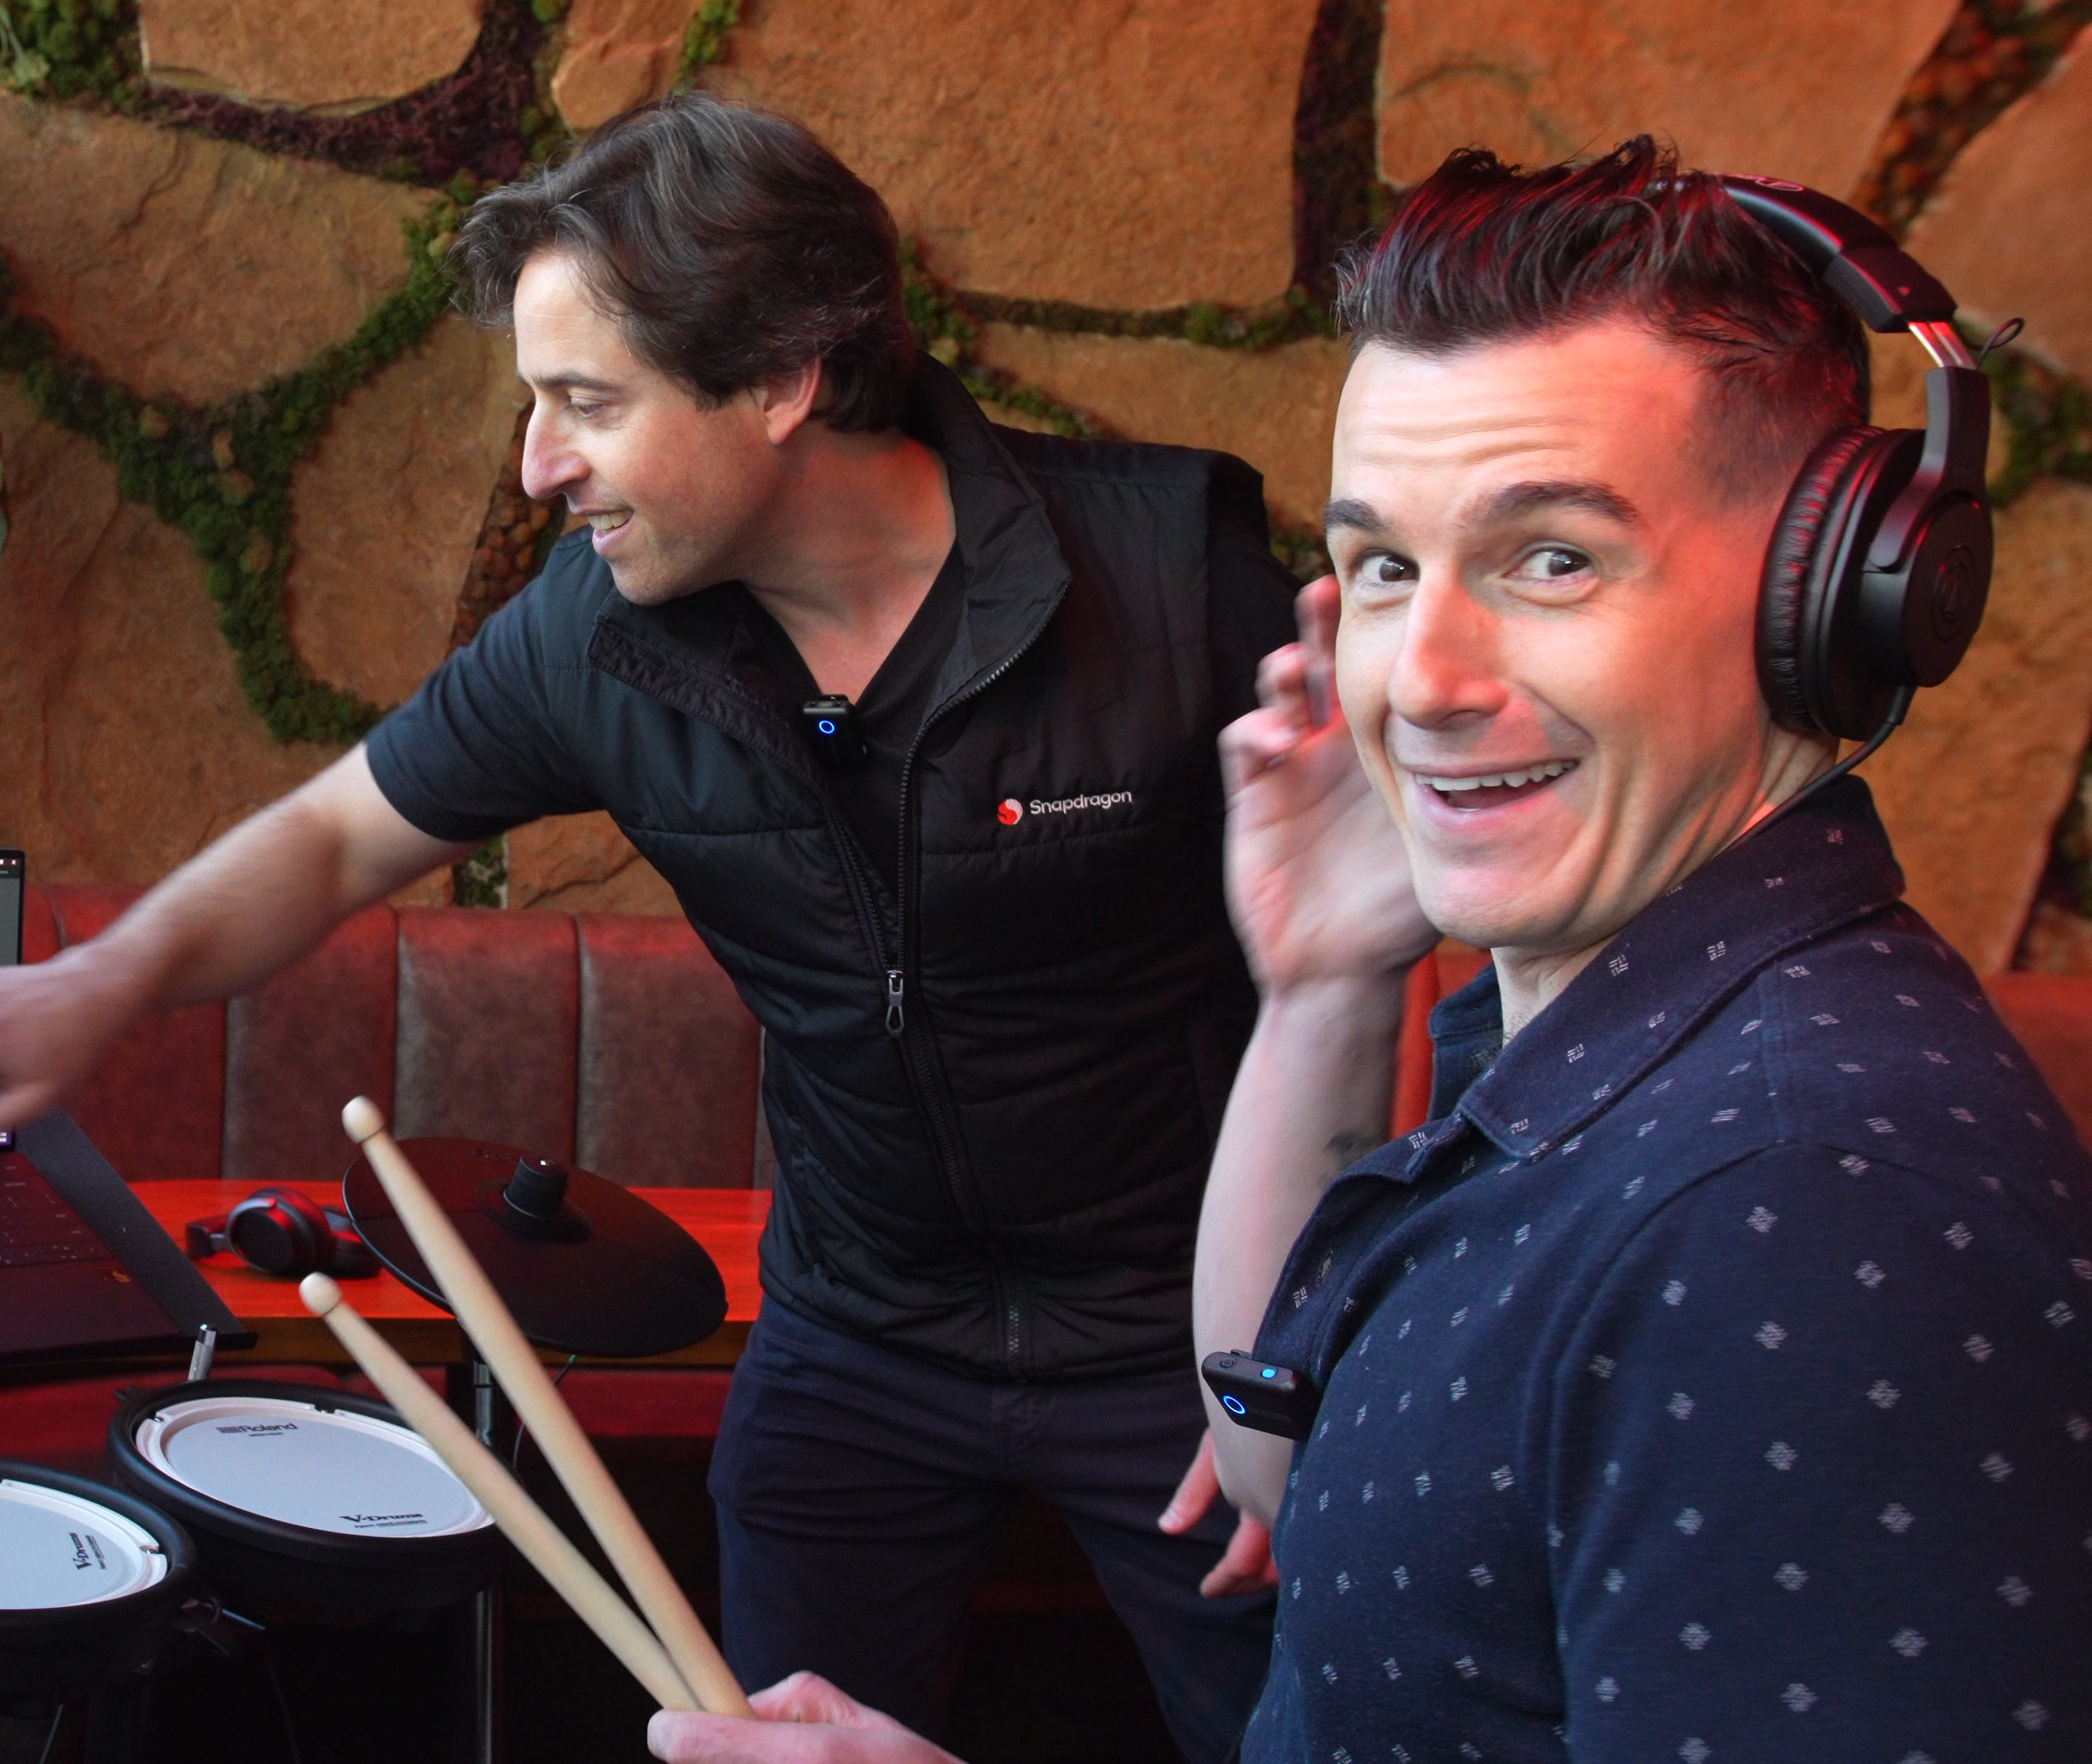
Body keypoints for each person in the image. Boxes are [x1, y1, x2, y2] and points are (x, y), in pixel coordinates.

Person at [0, 92, 1292, 1753]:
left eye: (585, 401)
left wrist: (1293, 1350)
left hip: (1184, 1345)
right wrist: (102, 982)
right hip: (859, 1337)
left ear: (782, 379)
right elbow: (326, 840)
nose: (538, 464)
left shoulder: (1177, 582)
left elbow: (1393, 951)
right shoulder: (595, 632)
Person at [648, 138, 2092, 1764]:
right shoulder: (1602, 1032)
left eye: (1554, 556)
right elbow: (1293, 1473)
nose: (1426, 679)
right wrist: (1325, 983)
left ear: (1831, 601)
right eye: (1390, 567)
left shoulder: (1801, 1204)